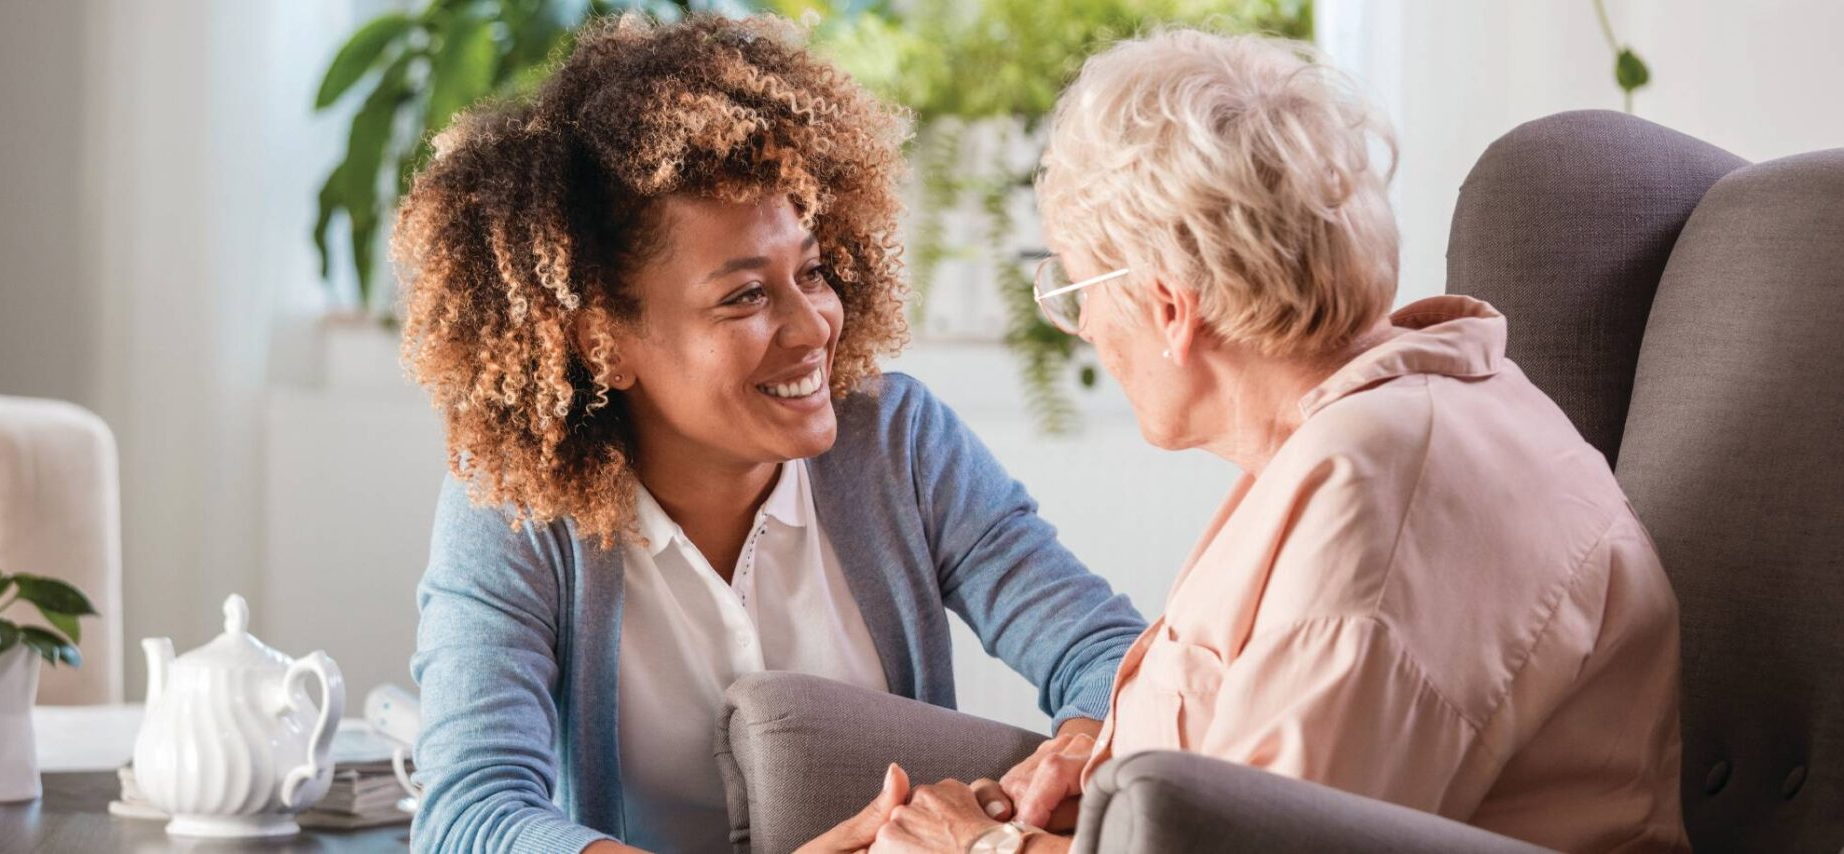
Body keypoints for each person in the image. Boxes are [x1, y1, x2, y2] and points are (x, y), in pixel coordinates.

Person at [869, 28, 1687, 854]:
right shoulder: (1370, 434)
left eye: (1076, 287)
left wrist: (978, 848)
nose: (1080, 325)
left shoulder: (1377, 496)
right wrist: (1104, 779)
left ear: (1168, 307)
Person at [393, 15, 1147, 853]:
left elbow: (1112, 655)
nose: (813, 325)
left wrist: (1072, 758)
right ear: (602, 343)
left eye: (812, 272)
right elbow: (469, 813)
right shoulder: (513, 508)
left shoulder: (899, 443)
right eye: (745, 296)